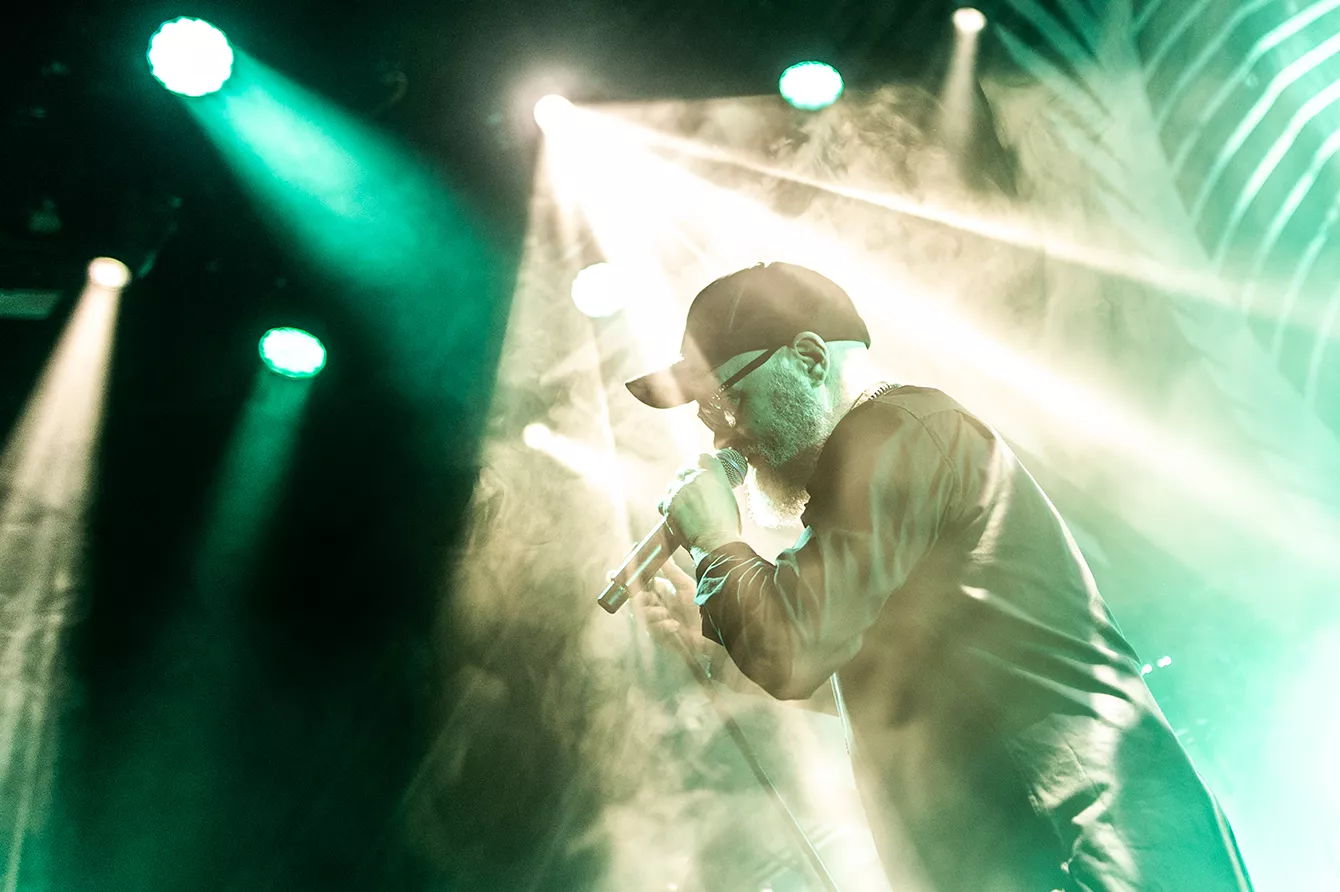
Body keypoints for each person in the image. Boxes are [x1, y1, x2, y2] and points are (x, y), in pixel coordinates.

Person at [627, 262, 1254, 892]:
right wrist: (715, 645)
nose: (718, 435)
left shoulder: (892, 431)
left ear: (810, 359)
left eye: (725, 400)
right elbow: (884, 682)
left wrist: (717, 543)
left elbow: (795, 647)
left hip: (1086, 853)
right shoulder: (885, 467)